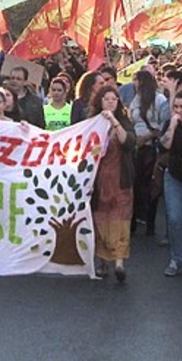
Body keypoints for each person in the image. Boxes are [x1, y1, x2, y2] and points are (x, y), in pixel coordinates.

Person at [90, 86, 136, 282]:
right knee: (101, 219)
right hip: (100, 180)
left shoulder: (123, 122)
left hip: (120, 180)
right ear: (100, 101)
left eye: (114, 99)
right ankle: (102, 261)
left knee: (120, 220)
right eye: (106, 99)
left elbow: (129, 142)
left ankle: (118, 263)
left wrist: (114, 122)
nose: (110, 102)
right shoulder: (91, 125)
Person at [129, 69, 170, 235]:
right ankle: (136, 220)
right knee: (136, 184)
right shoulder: (136, 99)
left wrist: (147, 136)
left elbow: (163, 125)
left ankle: (150, 222)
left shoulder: (159, 100)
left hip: (151, 147)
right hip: (137, 147)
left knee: (151, 184)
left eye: (136, 80)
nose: (134, 83)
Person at [159, 91, 182, 276]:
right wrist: (173, 126)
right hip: (173, 176)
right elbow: (165, 145)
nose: (179, 111)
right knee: (174, 218)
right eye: (176, 107)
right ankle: (176, 258)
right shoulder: (170, 124)